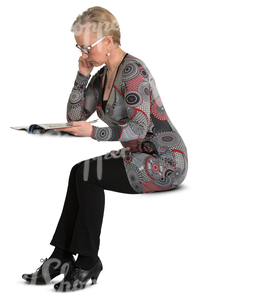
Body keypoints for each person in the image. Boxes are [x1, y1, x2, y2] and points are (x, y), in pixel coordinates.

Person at [22, 6, 188, 292]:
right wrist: (82, 74)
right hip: (135, 155)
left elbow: (139, 126)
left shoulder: (134, 71)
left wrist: (95, 132)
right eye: (79, 46)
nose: (84, 52)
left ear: (108, 42)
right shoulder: (101, 78)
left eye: (88, 46)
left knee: (87, 175)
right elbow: (75, 117)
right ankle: (61, 257)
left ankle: (86, 261)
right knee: (79, 171)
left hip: (164, 160)